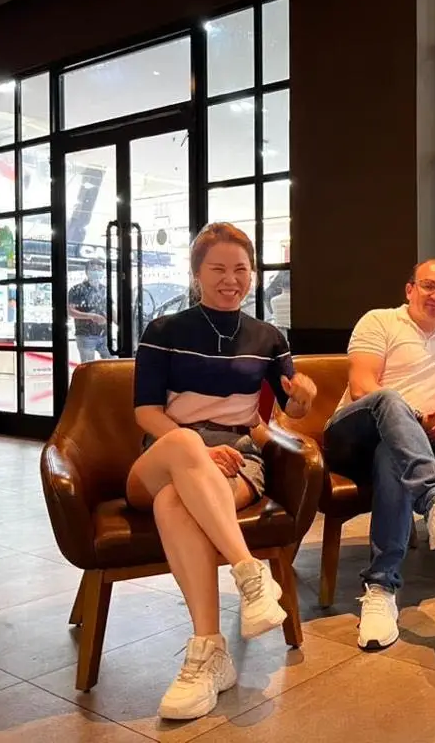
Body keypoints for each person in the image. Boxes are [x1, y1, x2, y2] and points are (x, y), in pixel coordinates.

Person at [128, 222, 318, 721]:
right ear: (196, 274)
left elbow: (291, 411)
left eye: (240, 269)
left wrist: (303, 398)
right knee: (183, 449)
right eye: (217, 269)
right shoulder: (163, 331)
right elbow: (146, 412)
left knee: (176, 503)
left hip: (238, 458)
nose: (230, 279)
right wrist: (194, 449)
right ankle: (250, 573)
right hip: (162, 453)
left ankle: (208, 652)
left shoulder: (268, 337)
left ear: (252, 273)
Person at [322, 259, 435, 652]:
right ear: (409, 290)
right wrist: (420, 416)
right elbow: (363, 387)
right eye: (429, 286)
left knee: (392, 456)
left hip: (402, 447)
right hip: (351, 436)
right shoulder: (379, 321)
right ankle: (434, 499)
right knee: (390, 399)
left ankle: (381, 589)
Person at [68, 258, 111, 362]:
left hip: (104, 334)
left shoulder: (104, 289)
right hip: (85, 335)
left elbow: (111, 308)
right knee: (88, 366)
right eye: (94, 269)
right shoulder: (77, 289)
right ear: (87, 272)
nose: (97, 272)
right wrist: (91, 316)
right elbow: (70, 311)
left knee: (112, 363)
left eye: (99, 269)